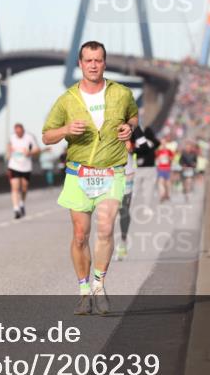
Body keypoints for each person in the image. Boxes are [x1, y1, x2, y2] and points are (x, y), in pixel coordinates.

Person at [42, 41, 138, 315]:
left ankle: (99, 286)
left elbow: (133, 116)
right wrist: (65, 129)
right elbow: (46, 135)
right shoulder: (67, 100)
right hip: (78, 172)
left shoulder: (122, 93)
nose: (93, 65)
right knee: (81, 235)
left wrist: (128, 128)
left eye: (98, 60)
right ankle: (84, 291)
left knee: (106, 229)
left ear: (105, 63)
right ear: (80, 64)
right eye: (88, 60)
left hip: (111, 170)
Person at [6, 122, 39, 219]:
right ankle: (16, 209)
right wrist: (8, 156)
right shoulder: (12, 138)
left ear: (23, 131)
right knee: (14, 188)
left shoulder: (29, 137)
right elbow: (8, 148)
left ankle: (22, 203)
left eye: (20, 132)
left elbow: (37, 149)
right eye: (16, 132)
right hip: (14, 166)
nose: (18, 134)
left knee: (24, 188)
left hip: (26, 167)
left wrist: (30, 152)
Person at [115, 133, 139, 261]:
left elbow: (136, 148)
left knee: (123, 211)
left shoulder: (130, 128)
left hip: (126, 175)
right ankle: (106, 246)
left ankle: (123, 242)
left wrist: (129, 143)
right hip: (108, 176)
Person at [154, 137, 174, 202]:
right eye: (162, 143)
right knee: (161, 182)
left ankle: (167, 194)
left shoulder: (169, 151)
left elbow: (172, 160)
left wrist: (168, 157)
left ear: (166, 143)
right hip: (160, 169)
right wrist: (158, 160)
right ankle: (162, 195)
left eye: (164, 142)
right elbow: (156, 160)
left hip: (167, 169)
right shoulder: (158, 151)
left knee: (167, 183)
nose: (163, 144)